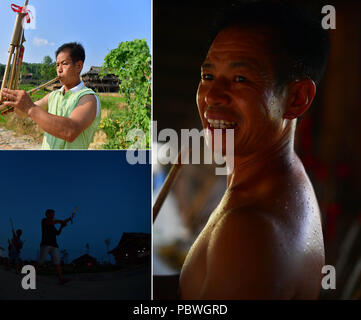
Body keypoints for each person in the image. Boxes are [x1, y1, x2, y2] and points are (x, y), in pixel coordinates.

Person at [154, 1, 330, 299]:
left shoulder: (249, 230)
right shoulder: (279, 181)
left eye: (240, 79)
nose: (211, 97)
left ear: (297, 98)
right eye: (208, 76)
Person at [1, 42, 101, 149]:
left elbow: (70, 131)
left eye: (64, 64)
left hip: (71, 164)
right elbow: (25, 113)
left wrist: (29, 107)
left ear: (78, 66)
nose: (59, 69)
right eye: (57, 65)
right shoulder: (53, 95)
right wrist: (13, 104)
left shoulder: (88, 98)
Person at [35, 209, 71, 285]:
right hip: (45, 244)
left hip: (54, 245)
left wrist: (61, 227)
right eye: (51, 214)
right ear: (47, 214)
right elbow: (51, 222)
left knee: (57, 262)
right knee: (41, 261)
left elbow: (57, 233)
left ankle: (60, 279)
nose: (53, 215)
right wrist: (61, 221)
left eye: (53, 214)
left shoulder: (53, 226)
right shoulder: (44, 220)